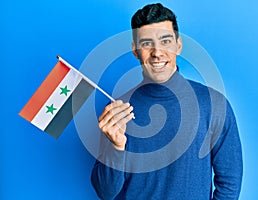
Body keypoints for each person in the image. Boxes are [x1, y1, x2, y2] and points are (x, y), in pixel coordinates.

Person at [91, 3, 243, 199]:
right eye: (146, 43)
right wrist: (116, 147)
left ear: (178, 45)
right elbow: (105, 192)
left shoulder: (213, 104)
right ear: (135, 50)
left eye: (165, 41)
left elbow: (230, 183)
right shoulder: (117, 111)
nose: (157, 52)